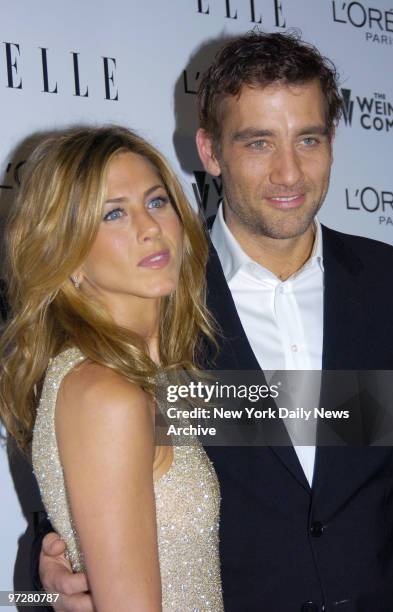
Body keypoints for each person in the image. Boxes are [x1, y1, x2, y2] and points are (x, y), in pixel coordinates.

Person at [34, 32, 393, 611]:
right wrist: (51, 565)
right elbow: (96, 470)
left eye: (308, 139)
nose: (289, 173)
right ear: (209, 152)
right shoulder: (158, 296)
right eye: (259, 143)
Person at [0, 126, 223, 611]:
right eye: (115, 213)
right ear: (69, 256)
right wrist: (40, 590)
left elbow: (351, 416)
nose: (149, 227)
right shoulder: (106, 392)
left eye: (157, 201)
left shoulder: (156, 367)